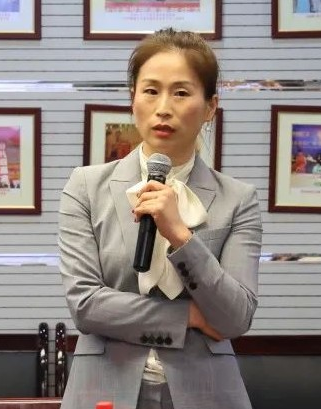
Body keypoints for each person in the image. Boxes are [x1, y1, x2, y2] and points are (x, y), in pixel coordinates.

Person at [58, 28, 262, 409]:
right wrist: (189, 316)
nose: (163, 107)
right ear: (132, 98)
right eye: (151, 90)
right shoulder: (85, 187)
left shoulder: (238, 200)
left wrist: (181, 236)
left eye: (181, 93)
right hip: (104, 386)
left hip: (207, 392)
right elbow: (86, 304)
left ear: (210, 106)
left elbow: (235, 318)